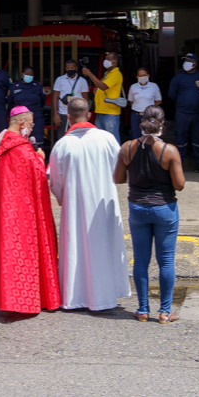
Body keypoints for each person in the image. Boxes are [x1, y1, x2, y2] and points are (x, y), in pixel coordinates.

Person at [48, 97, 130, 310]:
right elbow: (119, 171)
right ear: (90, 114)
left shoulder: (62, 144)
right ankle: (108, 293)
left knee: (77, 247)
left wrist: (62, 197)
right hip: (104, 201)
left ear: (68, 117)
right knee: (104, 246)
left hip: (76, 204)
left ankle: (77, 297)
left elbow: (55, 181)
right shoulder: (107, 138)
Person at [0, 106, 61, 314]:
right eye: (32, 125)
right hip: (22, 213)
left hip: (3, 212)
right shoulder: (22, 148)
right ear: (23, 124)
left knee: (6, 250)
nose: (32, 129)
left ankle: (0, 296)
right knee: (24, 253)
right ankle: (23, 300)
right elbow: (37, 176)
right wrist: (39, 157)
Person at [113, 105, 186, 323]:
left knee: (141, 260)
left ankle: (143, 309)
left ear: (142, 121)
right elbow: (180, 185)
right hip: (164, 208)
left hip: (138, 207)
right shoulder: (169, 151)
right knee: (165, 261)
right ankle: (164, 312)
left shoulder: (127, 147)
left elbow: (118, 179)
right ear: (162, 124)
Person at [168, 53, 199, 171]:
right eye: (185, 60)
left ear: (194, 63)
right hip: (182, 113)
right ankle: (180, 164)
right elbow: (171, 94)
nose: (186, 62)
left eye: (189, 60)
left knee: (198, 139)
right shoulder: (178, 77)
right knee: (181, 138)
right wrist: (183, 102)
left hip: (198, 114)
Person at [82, 51, 124, 144]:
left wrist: (89, 74)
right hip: (101, 111)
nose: (106, 61)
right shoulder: (107, 74)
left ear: (115, 61)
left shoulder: (116, 74)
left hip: (110, 113)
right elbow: (101, 87)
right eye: (106, 59)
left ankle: (117, 158)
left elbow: (103, 86)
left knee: (112, 141)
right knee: (102, 141)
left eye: (109, 59)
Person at [9, 66, 47, 149]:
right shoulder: (14, 87)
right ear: (23, 74)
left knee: (38, 142)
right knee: (20, 142)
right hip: (20, 120)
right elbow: (10, 103)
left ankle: (38, 160)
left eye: (31, 74)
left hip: (36, 118)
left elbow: (43, 101)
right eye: (27, 74)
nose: (29, 76)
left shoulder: (37, 86)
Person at [51, 59, 89, 140]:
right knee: (62, 138)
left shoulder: (82, 81)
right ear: (65, 68)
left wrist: (85, 114)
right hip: (63, 113)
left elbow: (85, 99)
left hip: (78, 114)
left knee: (78, 137)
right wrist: (55, 114)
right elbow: (55, 97)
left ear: (76, 68)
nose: (70, 70)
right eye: (68, 68)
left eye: (72, 68)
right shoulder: (59, 80)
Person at [127, 67, 162, 140]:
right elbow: (131, 101)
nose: (142, 77)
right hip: (136, 116)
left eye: (144, 75)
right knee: (135, 135)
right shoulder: (133, 87)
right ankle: (137, 151)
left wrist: (150, 109)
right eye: (140, 76)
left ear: (148, 76)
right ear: (137, 77)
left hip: (149, 116)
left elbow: (158, 100)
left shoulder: (154, 86)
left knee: (149, 136)